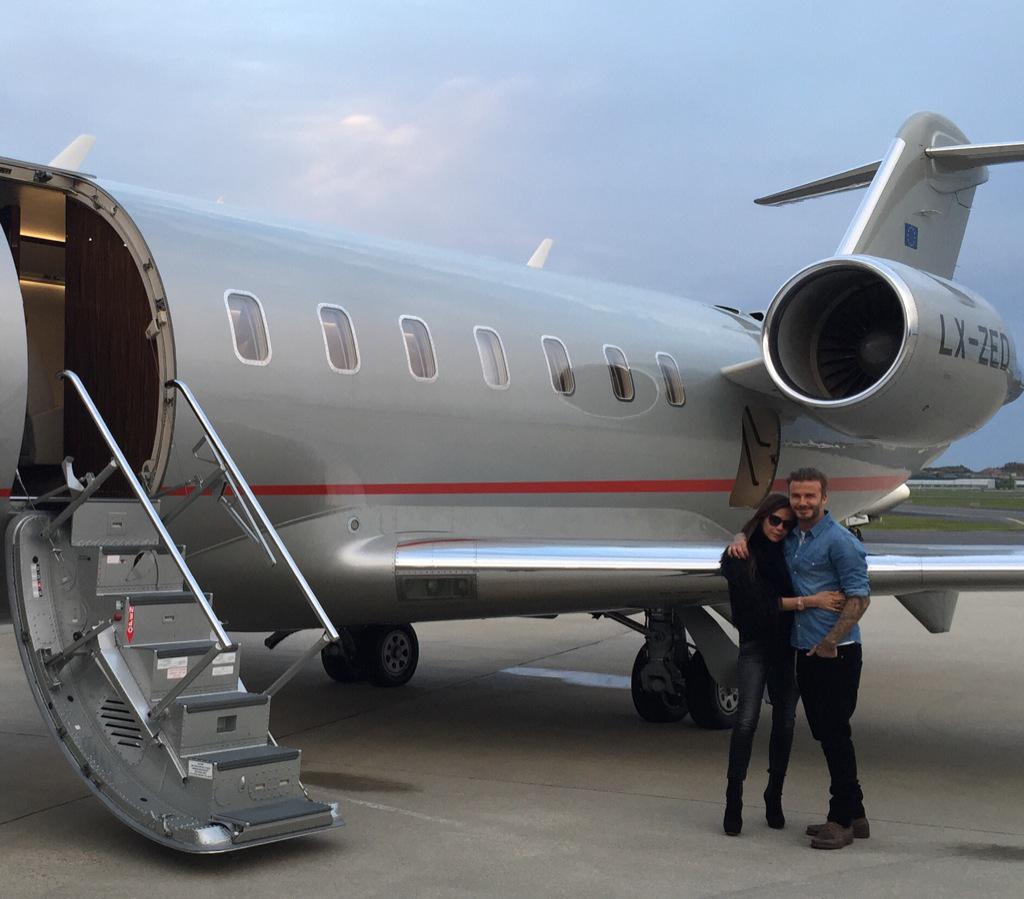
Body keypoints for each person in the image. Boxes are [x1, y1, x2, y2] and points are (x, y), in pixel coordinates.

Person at [729, 467, 872, 850]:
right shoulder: (794, 537)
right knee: (826, 732)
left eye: (810, 496)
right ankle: (857, 813)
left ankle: (841, 820)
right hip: (803, 649)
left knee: (835, 734)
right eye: (797, 497)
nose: (803, 503)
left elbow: (860, 597)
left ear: (825, 498)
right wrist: (740, 535)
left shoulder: (840, 541)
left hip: (836, 651)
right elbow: (762, 532)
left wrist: (831, 641)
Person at [719, 493, 845, 836]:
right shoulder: (739, 556)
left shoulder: (791, 553)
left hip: (788, 647)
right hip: (755, 646)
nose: (780, 528)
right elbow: (760, 605)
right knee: (745, 720)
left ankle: (774, 794)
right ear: (762, 518)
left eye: (787, 524)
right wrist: (811, 601)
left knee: (785, 722)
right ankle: (733, 799)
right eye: (774, 520)